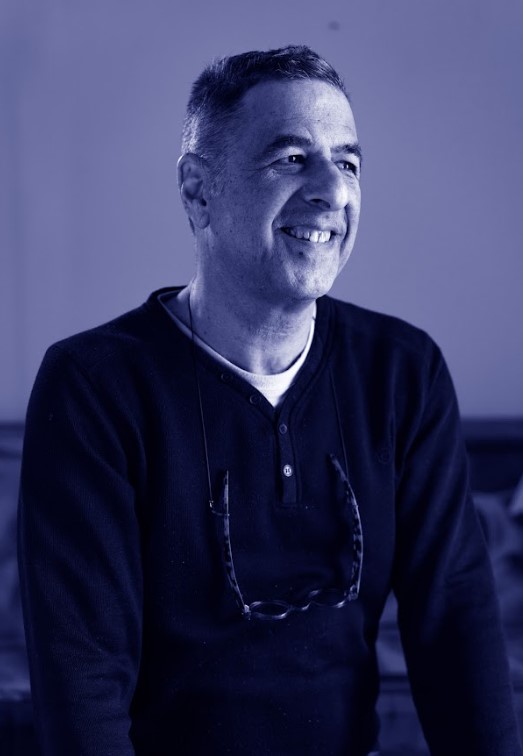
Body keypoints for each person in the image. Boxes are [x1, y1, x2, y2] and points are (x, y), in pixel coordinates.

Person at [17, 45, 522, 756]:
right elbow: (82, 684)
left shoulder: (403, 372)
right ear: (199, 191)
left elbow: (456, 626)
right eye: (290, 159)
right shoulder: (94, 386)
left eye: (347, 163)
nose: (331, 191)